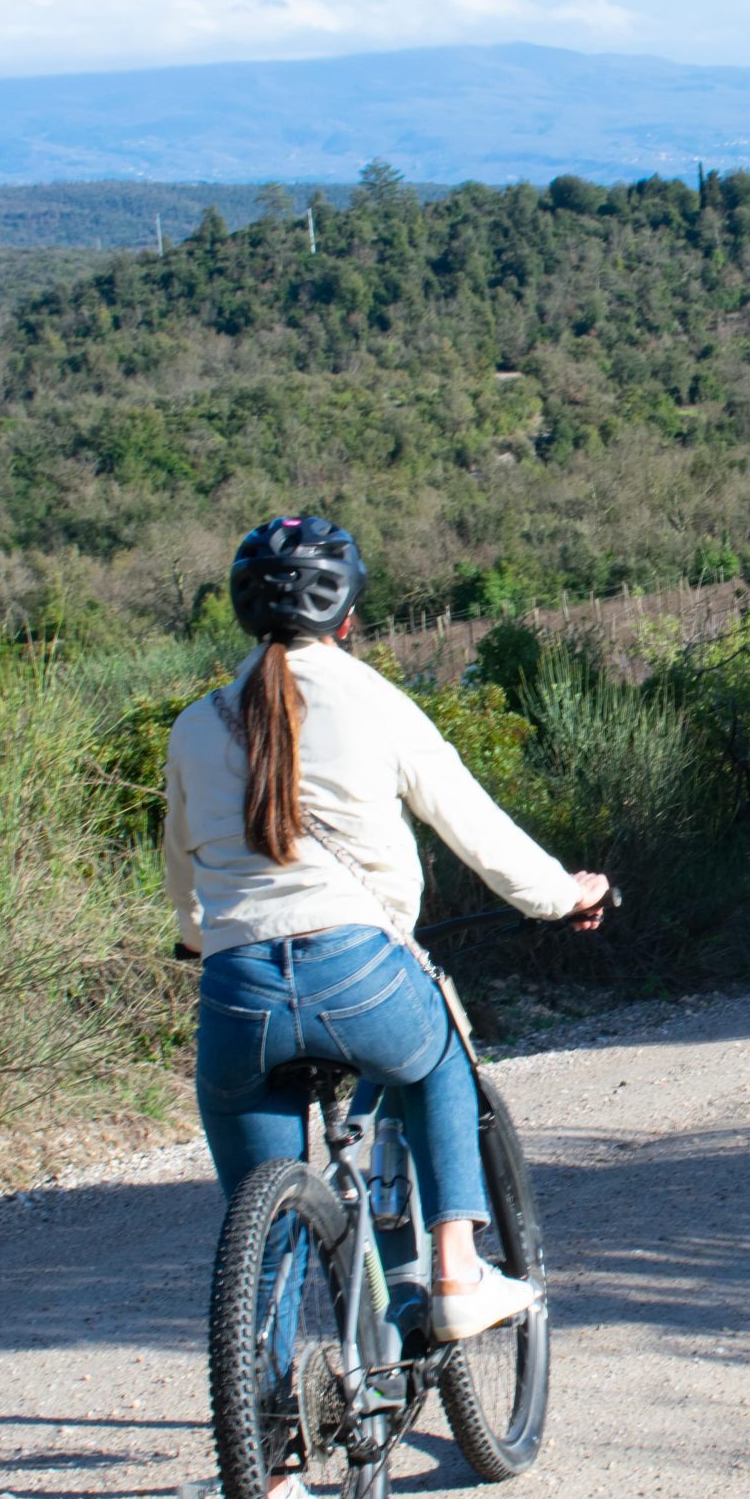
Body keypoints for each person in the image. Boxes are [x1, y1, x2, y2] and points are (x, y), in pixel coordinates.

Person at [162, 513, 609, 1361]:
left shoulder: (196, 724)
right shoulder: (375, 701)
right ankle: (456, 1271)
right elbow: (477, 829)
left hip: (237, 994)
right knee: (439, 1056)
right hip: (359, 974)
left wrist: (195, 936)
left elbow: (183, 872)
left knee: (265, 1235)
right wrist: (561, 896)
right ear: (348, 616)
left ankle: (271, 1432)